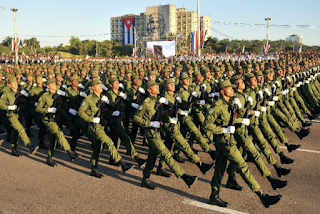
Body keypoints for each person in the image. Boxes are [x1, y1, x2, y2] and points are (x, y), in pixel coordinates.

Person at [204, 79, 281, 208]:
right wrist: (223, 130)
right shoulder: (217, 106)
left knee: (219, 169)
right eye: (229, 88)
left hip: (228, 139)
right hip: (224, 141)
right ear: (223, 91)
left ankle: (214, 196)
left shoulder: (230, 102)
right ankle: (262, 196)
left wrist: (241, 118)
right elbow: (206, 124)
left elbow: (230, 119)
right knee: (242, 165)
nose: (232, 89)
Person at [133, 80, 198, 190]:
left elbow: (159, 113)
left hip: (157, 132)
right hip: (151, 133)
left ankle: (145, 179)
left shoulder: (158, 100)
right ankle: (184, 176)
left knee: (152, 158)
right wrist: (150, 123)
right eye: (154, 87)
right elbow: (136, 117)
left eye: (157, 86)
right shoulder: (146, 102)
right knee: (166, 153)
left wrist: (167, 111)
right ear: (149, 90)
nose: (158, 88)